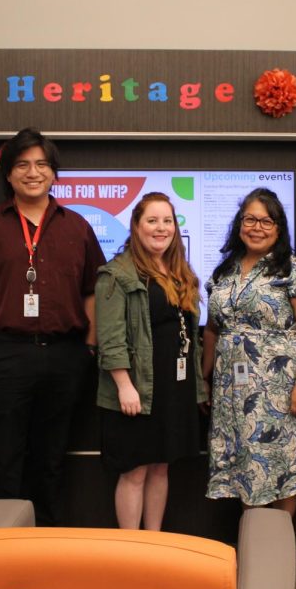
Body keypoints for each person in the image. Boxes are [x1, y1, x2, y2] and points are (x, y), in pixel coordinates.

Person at [0, 128, 105, 526]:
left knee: (51, 458)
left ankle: (44, 540)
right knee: (1, 459)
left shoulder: (77, 226)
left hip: (65, 356)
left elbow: (93, 292)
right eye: (22, 165)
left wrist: (88, 346)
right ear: (9, 174)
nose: (32, 172)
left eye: (41, 164)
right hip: (3, 355)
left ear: (53, 173)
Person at [203, 188, 296, 515]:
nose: (257, 227)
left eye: (266, 221)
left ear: (279, 228)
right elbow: (213, 329)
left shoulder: (294, 270)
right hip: (232, 394)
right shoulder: (224, 271)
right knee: (246, 469)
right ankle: (257, 551)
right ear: (239, 224)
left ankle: (280, 552)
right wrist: (206, 381)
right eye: (250, 219)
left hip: (280, 392)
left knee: (281, 466)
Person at [95, 193, 204, 530]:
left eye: (167, 221)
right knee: (136, 471)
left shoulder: (177, 272)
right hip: (138, 391)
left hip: (174, 388)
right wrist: (125, 387)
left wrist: (198, 386)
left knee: (161, 467)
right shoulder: (116, 274)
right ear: (137, 226)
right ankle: (132, 551)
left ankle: (154, 543)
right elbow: (111, 340)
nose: (161, 228)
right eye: (152, 221)